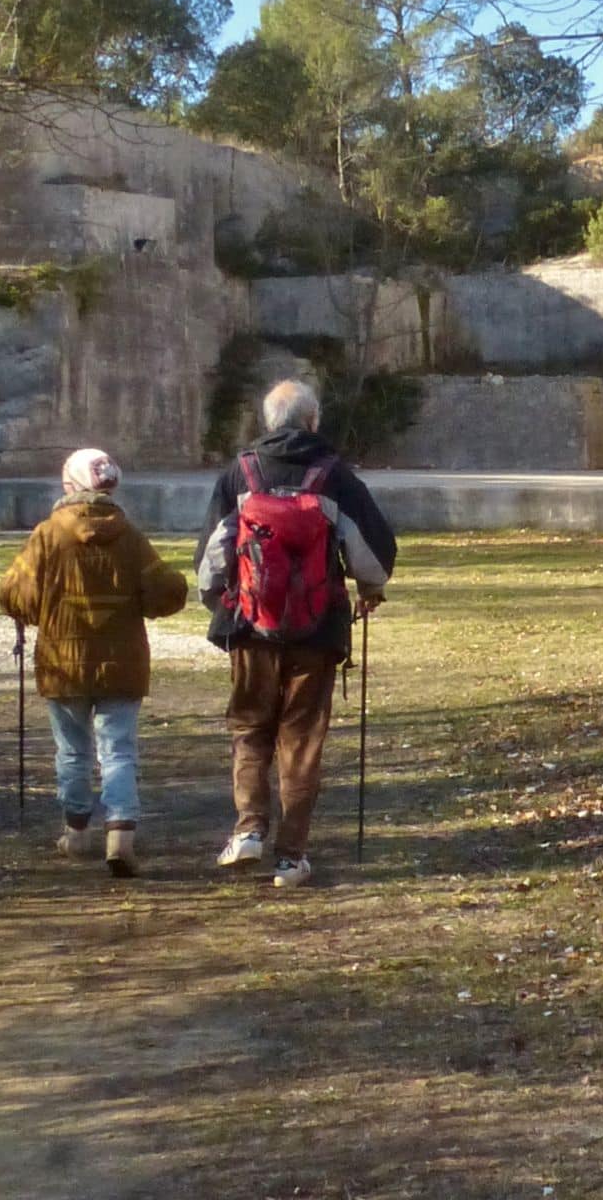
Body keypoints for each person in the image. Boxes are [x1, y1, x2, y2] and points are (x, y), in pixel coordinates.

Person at [195, 380, 397, 888]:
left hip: (250, 626)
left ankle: (248, 831)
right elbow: (372, 554)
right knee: (301, 740)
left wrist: (221, 602)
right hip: (317, 630)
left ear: (268, 422)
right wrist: (370, 589)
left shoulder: (240, 473)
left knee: (249, 729)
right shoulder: (334, 476)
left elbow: (212, 557)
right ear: (313, 421)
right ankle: (291, 858)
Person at [0, 448, 188, 878]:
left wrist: (41, 608)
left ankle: (77, 831)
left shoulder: (47, 535)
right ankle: (120, 835)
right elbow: (167, 593)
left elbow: (15, 594)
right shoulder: (131, 537)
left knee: (73, 751)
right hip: (123, 662)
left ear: (70, 486)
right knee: (118, 750)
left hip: (62, 664)